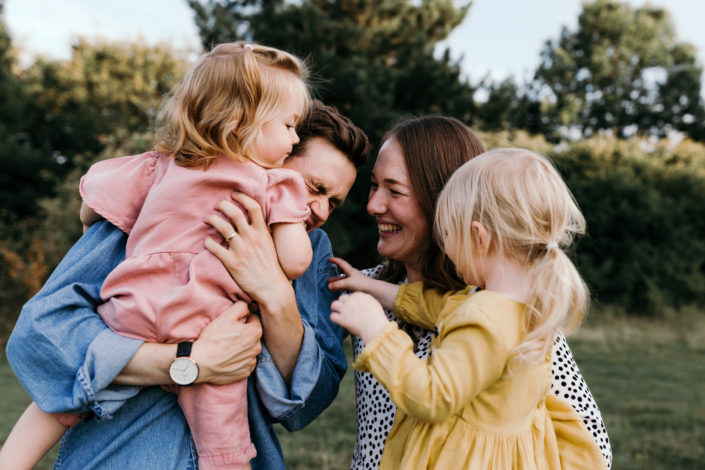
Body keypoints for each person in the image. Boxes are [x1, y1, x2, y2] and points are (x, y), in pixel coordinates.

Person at [2, 97, 369, 470]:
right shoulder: (168, 199)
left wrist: (275, 293)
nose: (321, 211)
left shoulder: (313, 252)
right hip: (120, 454)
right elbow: (42, 333)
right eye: (314, 187)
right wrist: (188, 362)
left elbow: (309, 400)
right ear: (269, 158)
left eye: (333, 203)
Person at [327, 116, 612, 469]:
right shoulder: (514, 307)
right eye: (374, 186)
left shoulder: (499, 319)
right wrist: (370, 288)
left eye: (395, 190)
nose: (372, 206)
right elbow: (439, 307)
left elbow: (430, 394)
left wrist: (375, 329)